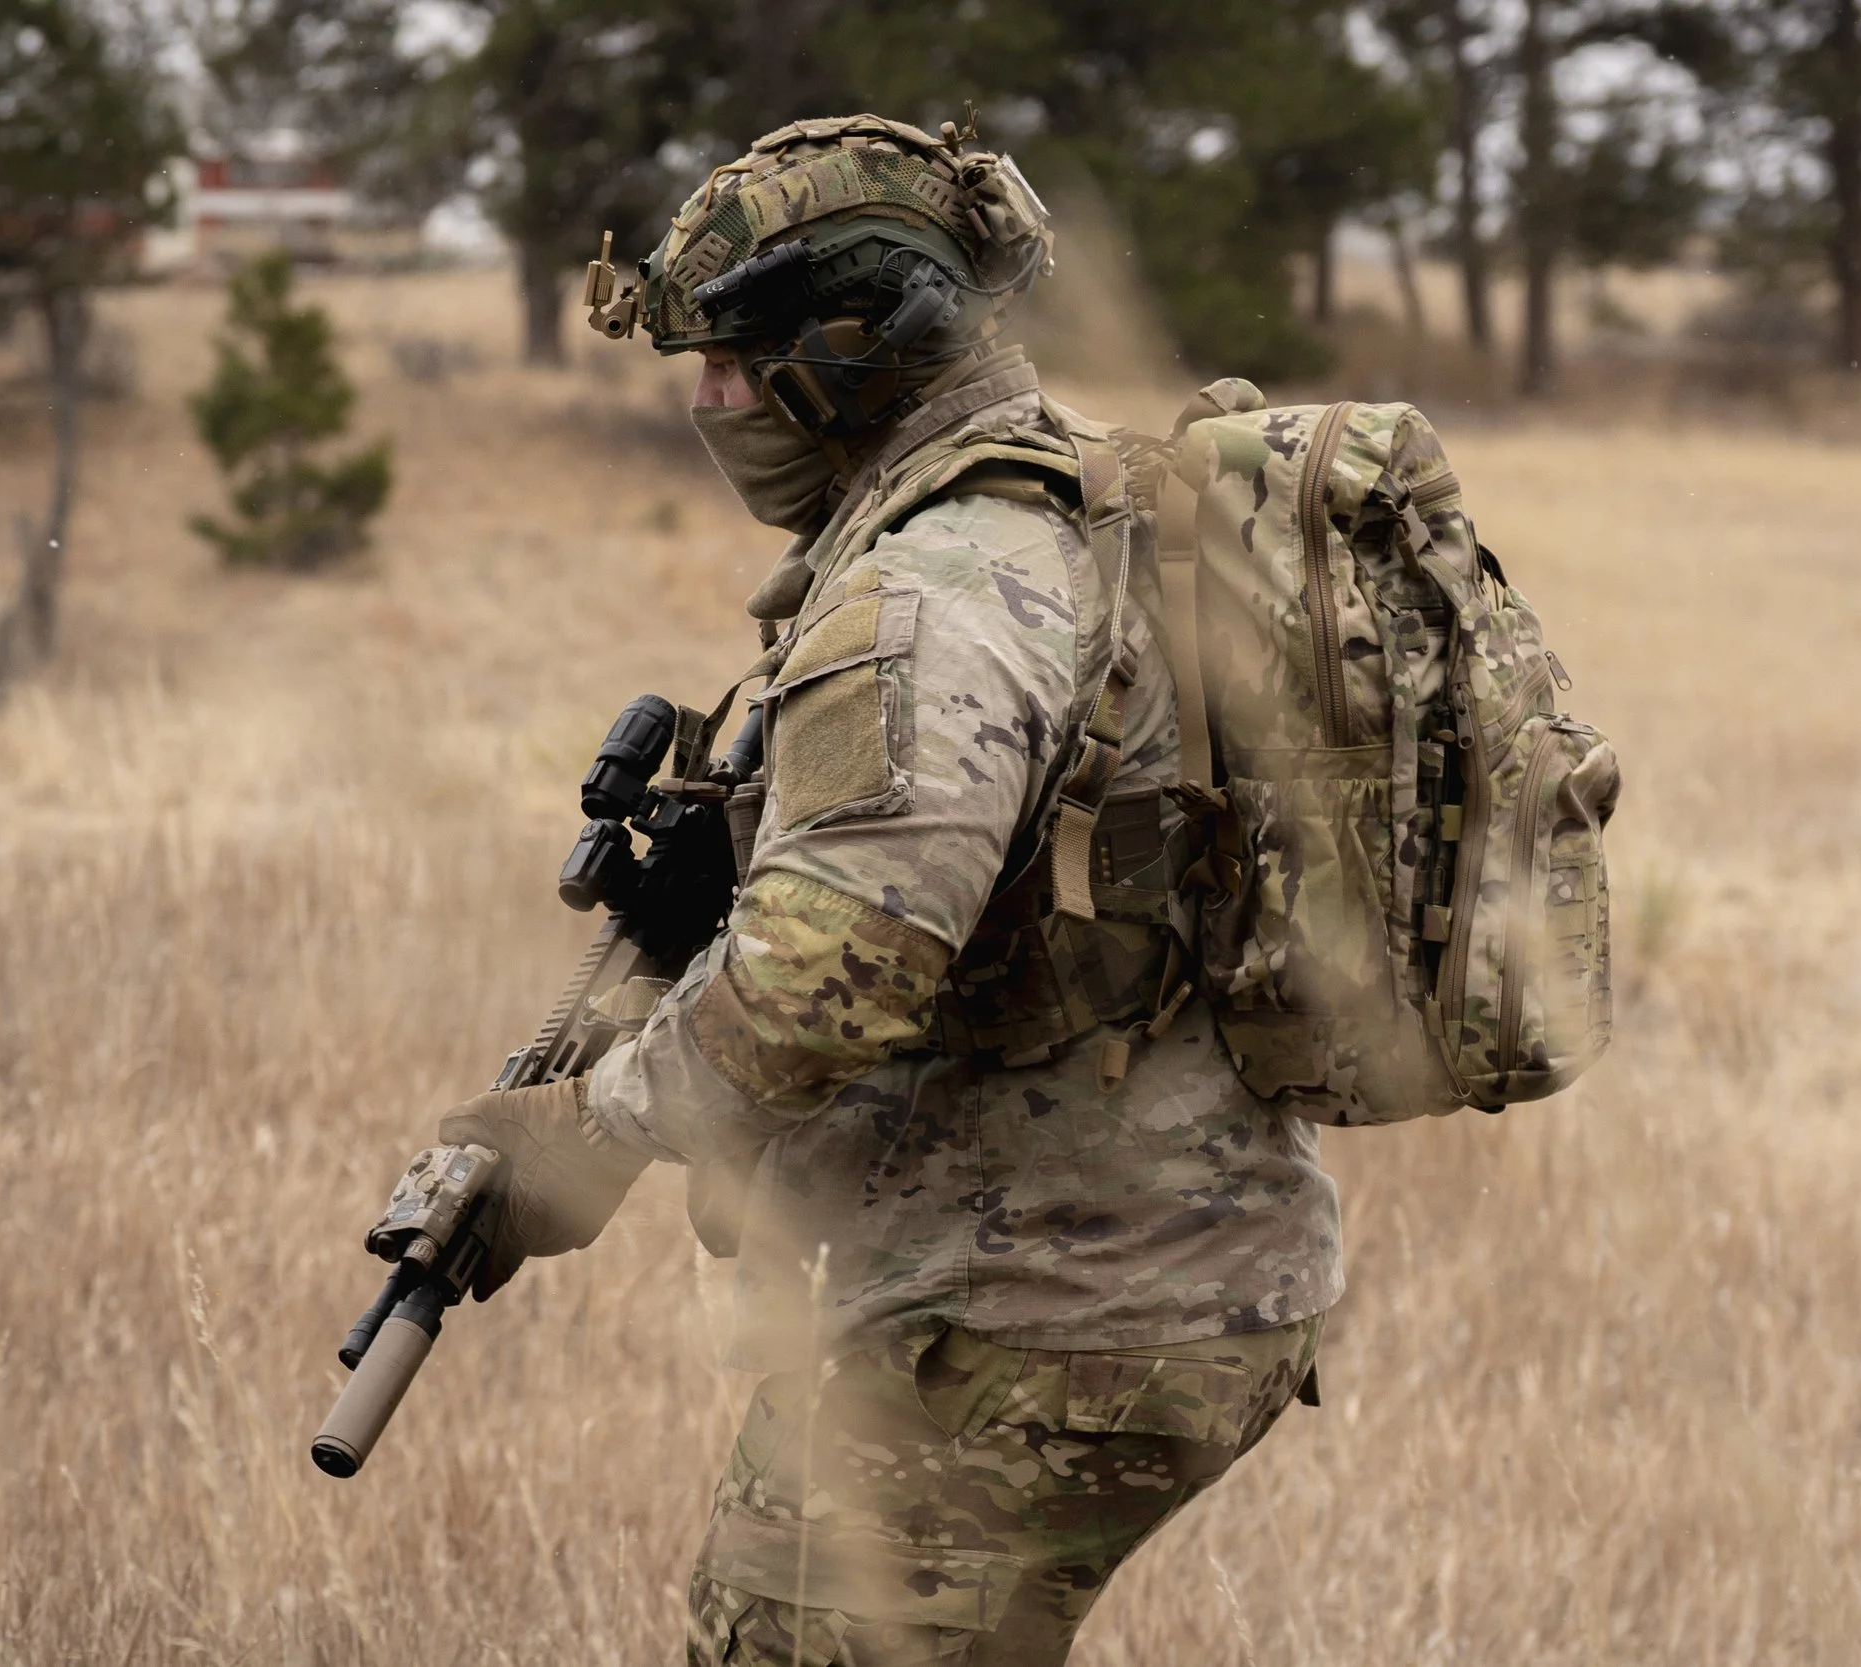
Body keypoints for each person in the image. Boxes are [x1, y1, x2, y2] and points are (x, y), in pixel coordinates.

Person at [428, 114, 1342, 1667]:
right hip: (1160, 1268)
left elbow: (826, 978)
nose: (706, 401)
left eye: (733, 360)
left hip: (1042, 1298)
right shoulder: (1069, 496)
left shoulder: (933, 594)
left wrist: (585, 1137)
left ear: (853, 352)